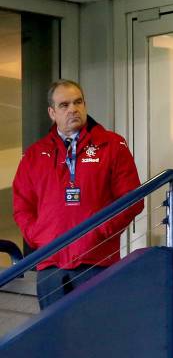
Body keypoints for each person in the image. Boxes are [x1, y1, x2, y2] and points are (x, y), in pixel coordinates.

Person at [13, 79, 142, 309]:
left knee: (97, 338)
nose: (73, 109)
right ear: (52, 113)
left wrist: (100, 231)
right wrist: (39, 236)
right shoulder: (35, 154)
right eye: (64, 105)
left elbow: (132, 199)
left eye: (78, 102)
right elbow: (22, 205)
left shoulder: (112, 145)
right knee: (55, 338)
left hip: (97, 260)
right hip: (51, 263)